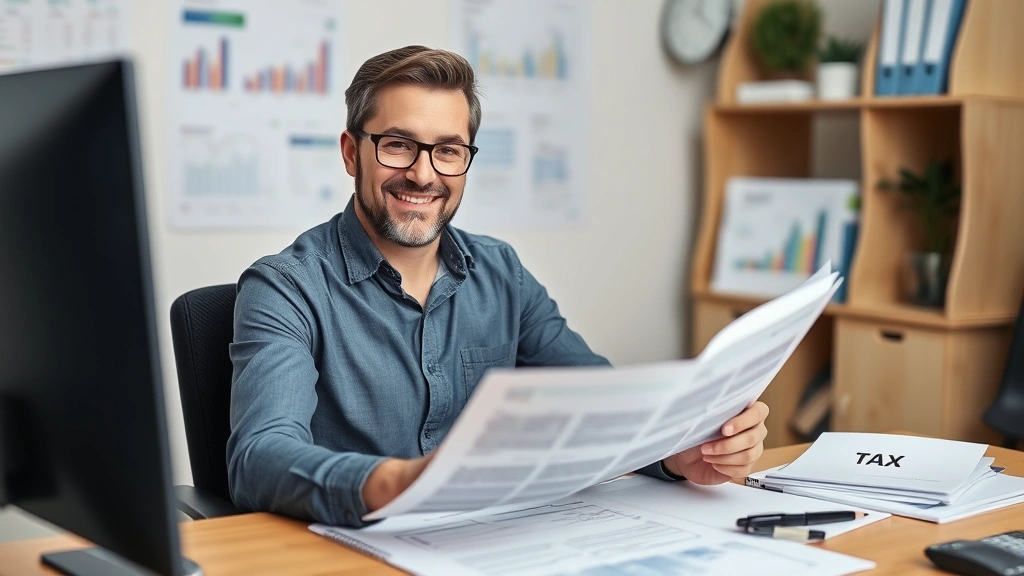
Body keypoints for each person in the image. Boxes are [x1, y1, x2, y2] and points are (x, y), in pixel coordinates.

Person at [227, 46, 769, 528]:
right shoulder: (285, 287)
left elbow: (600, 406)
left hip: (493, 543)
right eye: (397, 145)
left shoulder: (501, 272)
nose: (423, 174)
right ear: (351, 152)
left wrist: (676, 452)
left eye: (448, 150)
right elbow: (258, 458)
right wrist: (402, 481)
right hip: (353, 550)